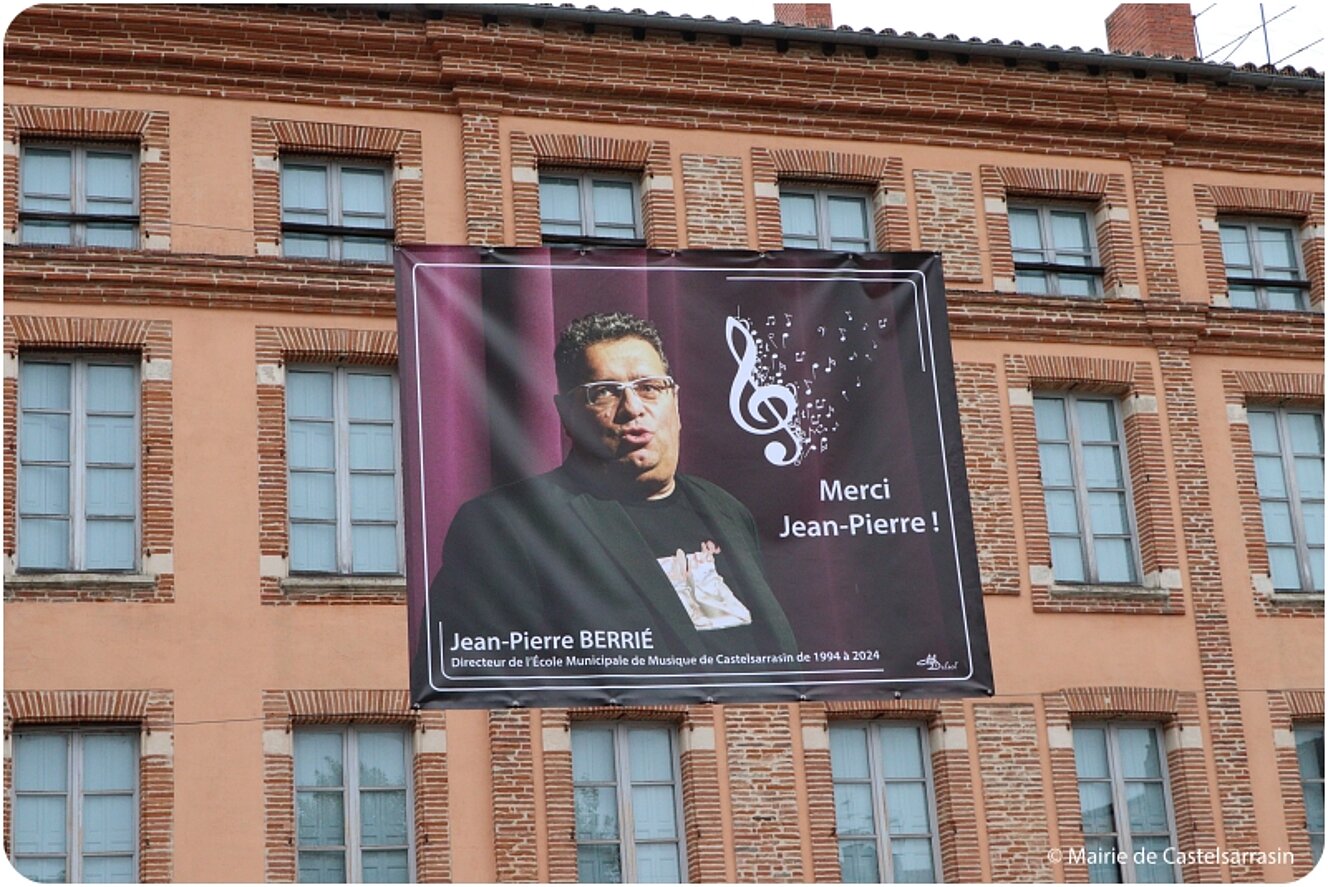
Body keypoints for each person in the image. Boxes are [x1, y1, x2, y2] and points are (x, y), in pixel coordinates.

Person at [419, 312, 797, 686]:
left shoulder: (727, 510)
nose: (632, 408)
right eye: (604, 392)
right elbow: (470, 679)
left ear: (675, 401)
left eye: (649, 387)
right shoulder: (506, 525)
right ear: (566, 414)